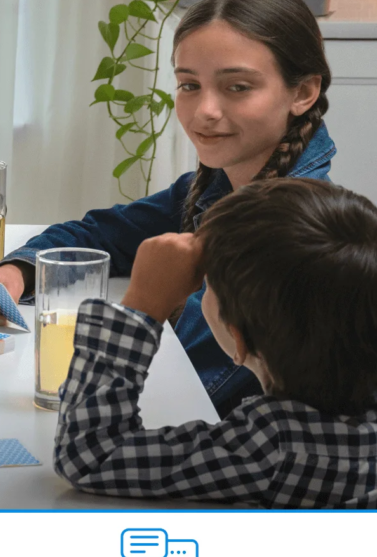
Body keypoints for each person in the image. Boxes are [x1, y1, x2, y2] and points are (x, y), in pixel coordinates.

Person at [0, 0, 333, 416]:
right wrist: (15, 273)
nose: (204, 111)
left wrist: (140, 309)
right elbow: (99, 232)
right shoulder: (215, 186)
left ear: (303, 92)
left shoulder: (291, 245)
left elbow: (180, 399)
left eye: (237, 87)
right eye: (189, 85)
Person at [54, 179, 377, 508]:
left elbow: (90, 455)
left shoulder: (273, 450)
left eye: (206, 284)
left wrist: (141, 306)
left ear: (238, 338)